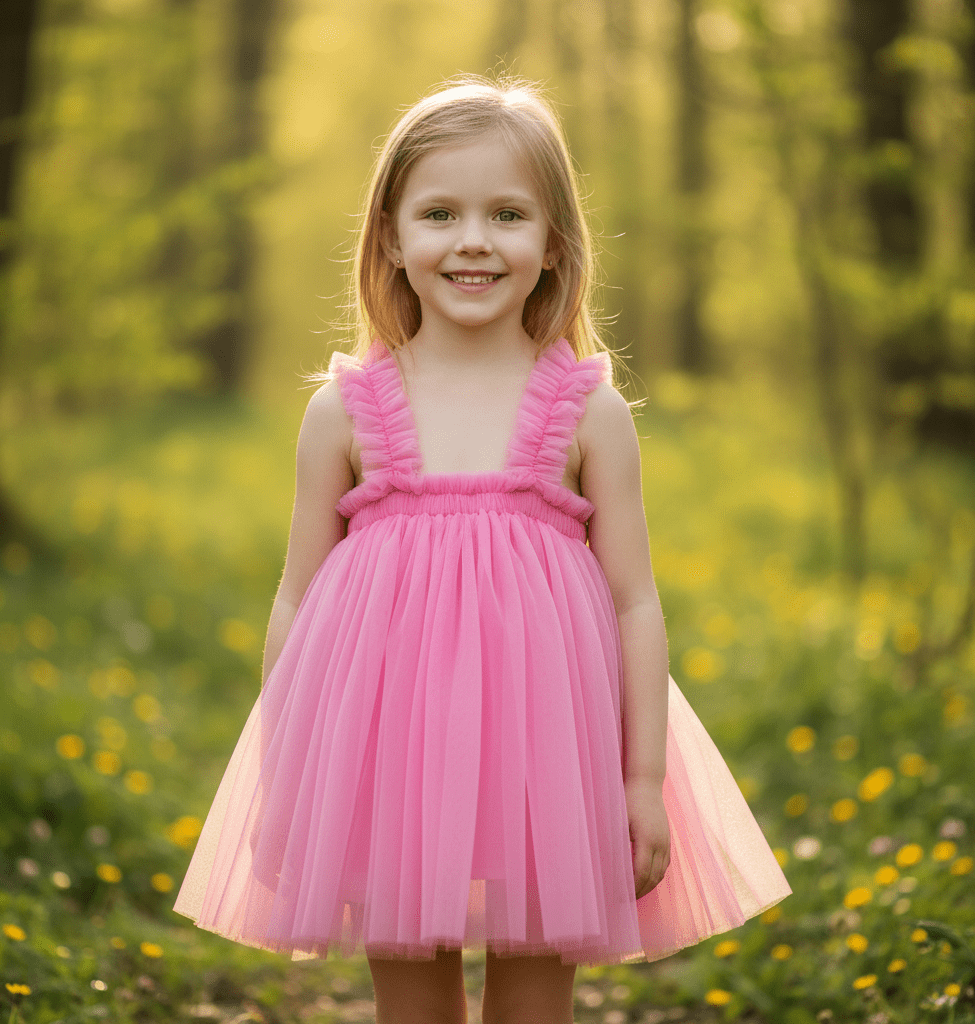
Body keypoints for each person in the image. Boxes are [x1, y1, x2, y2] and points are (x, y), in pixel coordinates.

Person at [174, 75, 791, 1024]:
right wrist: (286, 771)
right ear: (390, 237)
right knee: (412, 1006)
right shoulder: (345, 412)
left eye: (507, 214)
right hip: (387, 756)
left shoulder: (587, 412)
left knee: (534, 1005)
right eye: (440, 214)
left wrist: (640, 779)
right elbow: (296, 596)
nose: (473, 240)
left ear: (554, 242)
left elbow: (634, 601)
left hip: (552, 757)